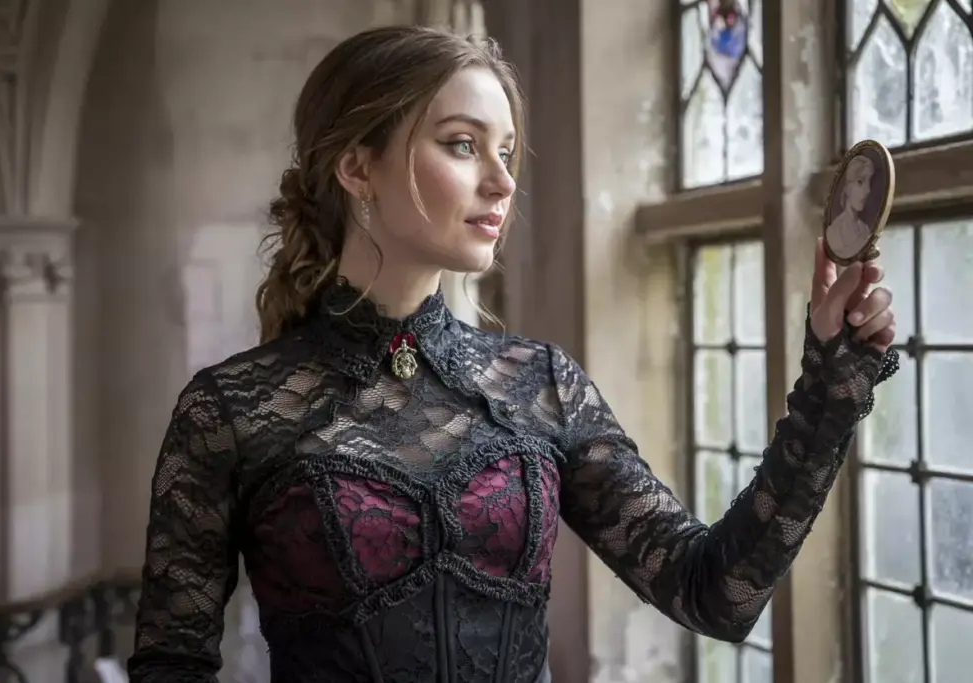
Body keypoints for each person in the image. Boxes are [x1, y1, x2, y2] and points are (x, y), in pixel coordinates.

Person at [127, 25, 900, 683]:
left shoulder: (540, 382)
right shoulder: (228, 410)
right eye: (463, 145)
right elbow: (171, 665)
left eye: (506, 151)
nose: (503, 182)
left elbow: (716, 593)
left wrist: (827, 388)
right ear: (358, 167)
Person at [827, 153, 875, 260]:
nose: (867, 190)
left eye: (869, 182)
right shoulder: (834, 231)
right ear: (847, 187)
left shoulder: (864, 230)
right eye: (860, 181)